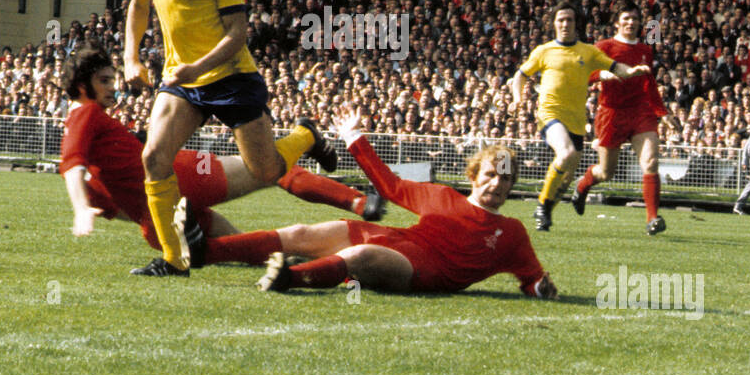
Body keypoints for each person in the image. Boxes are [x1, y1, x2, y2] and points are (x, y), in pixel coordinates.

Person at [124, 0, 338, 276]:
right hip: (183, 82)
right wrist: (129, 58)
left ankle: (306, 134)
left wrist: (196, 67)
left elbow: (238, 34)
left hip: (230, 78)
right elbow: (138, 6)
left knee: (267, 171)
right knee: (153, 157)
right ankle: (175, 259)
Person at [60, 46, 384, 265]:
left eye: (111, 80)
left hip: (171, 197)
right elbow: (72, 168)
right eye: (104, 81)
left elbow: (82, 175)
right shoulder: (85, 116)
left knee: (264, 173)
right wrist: (82, 209)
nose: (112, 89)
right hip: (177, 187)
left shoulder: (83, 119)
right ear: (80, 84)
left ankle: (343, 185)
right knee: (249, 230)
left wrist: (92, 208)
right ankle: (320, 248)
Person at [210, 109, 557, 298]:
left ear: (512, 185)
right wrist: (354, 138)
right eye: (490, 174)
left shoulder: (511, 232)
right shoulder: (441, 196)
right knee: (302, 232)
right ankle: (204, 251)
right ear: (473, 175)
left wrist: (541, 287)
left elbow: (532, 279)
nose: (496, 183)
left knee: (361, 257)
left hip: (421, 270)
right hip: (397, 240)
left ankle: (290, 278)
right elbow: (389, 186)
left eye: (505, 179)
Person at [510, 1, 652, 231]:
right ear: (554, 24)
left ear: (576, 24)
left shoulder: (588, 51)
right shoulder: (544, 51)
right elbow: (520, 76)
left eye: (570, 20)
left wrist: (633, 71)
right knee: (565, 154)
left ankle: (546, 213)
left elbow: (616, 68)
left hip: (576, 121)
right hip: (550, 113)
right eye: (561, 20)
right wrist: (517, 99)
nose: (565, 24)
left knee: (567, 176)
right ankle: (542, 206)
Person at [572, 4, 670, 236]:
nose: (630, 22)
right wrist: (603, 74)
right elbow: (585, 72)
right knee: (606, 172)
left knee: (651, 162)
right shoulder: (604, 46)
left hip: (640, 111)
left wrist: (661, 111)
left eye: (635, 19)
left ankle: (652, 219)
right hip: (612, 113)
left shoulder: (646, 49)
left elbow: (648, 80)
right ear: (617, 22)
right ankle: (582, 185)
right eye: (626, 18)